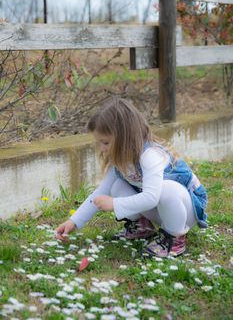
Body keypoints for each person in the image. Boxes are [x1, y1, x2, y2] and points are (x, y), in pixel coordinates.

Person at [55, 98, 208, 258]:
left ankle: (174, 238)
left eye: (106, 142)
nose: (102, 149)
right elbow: (100, 192)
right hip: (161, 210)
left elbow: (151, 197)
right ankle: (142, 227)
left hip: (185, 211)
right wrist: (74, 222)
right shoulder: (121, 160)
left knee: (166, 189)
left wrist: (114, 203)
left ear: (124, 138)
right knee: (116, 186)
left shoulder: (150, 155)